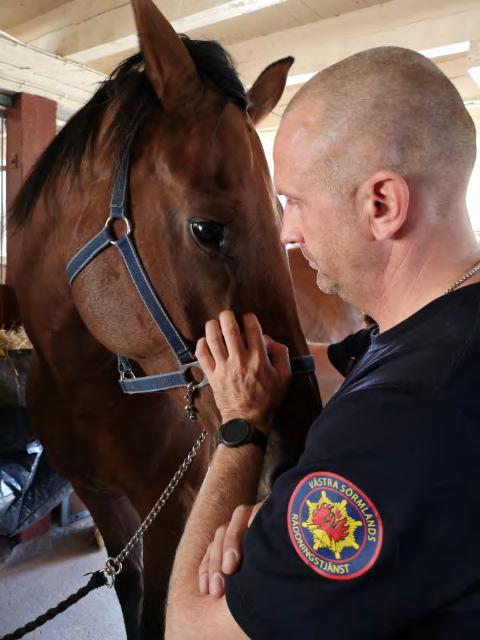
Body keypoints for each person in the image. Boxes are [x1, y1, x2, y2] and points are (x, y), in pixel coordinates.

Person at [165, 46, 480, 639]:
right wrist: (284, 522)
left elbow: (191, 628)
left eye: (294, 202)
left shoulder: (403, 421)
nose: (286, 232)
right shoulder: (447, 324)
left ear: (381, 205)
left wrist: (241, 427)